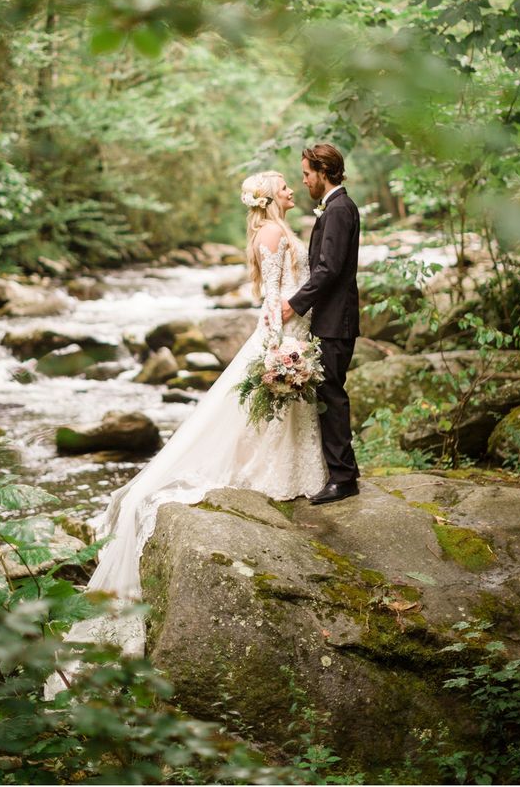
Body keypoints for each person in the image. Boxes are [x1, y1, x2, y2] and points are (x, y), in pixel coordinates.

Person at [47, 171, 327, 678]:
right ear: (269, 198)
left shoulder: (282, 229)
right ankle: (269, 473)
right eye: (284, 185)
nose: (291, 189)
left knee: (272, 410)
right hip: (282, 329)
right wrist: (278, 344)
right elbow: (273, 296)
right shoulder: (271, 233)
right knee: (257, 408)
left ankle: (291, 470)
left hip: (295, 326)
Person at [282, 143, 361, 505]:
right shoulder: (335, 207)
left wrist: (295, 305)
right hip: (330, 320)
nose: (304, 181)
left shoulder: (339, 210)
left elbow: (328, 269)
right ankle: (340, 471)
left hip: (334, 322)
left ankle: (343, 478)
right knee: (328, 392)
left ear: (323, 172)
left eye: (307, 174)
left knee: (331, 394)